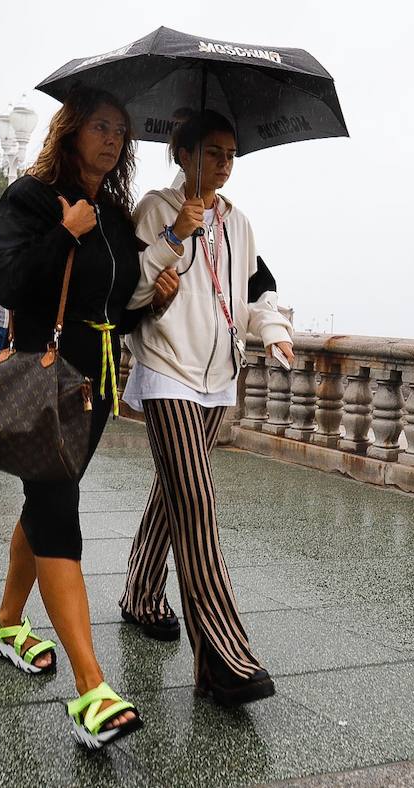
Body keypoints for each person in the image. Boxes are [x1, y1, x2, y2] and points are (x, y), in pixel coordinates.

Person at [0, 87, 178, 750]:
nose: (112, 139)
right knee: (58, 508)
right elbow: (3, 281)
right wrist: (63, 234)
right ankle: (92, 691)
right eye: (100, 125)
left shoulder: (117, 216)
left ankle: (8, 623)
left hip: (94, 384)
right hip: (44, 370)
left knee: (46, 501)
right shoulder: (34, 196)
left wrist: (154, 303)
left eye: (121, 131)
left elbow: (116, 307)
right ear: (71, 130)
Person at [118, 110, 294, 707]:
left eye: (231, 153)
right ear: (183, 153)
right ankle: (222, 657)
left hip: (220, 376)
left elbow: (252, 291)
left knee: (176, 489)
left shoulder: (238, 222)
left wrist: (271, 328)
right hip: (167, 368)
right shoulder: (155, 209)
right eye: (213, 151)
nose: (224, 163)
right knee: (197, 497)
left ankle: (141, 593)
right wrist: (174, 240)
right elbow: (131, 292)